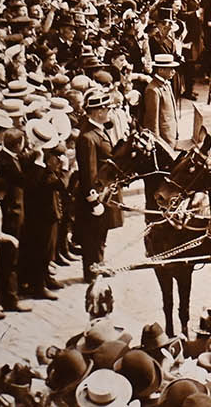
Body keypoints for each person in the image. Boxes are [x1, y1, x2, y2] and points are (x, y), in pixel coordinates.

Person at [73, 89, 116, 282]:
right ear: (98, 111)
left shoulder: (98, 129)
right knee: (92, 236)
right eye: (107, 109)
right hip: (94, 196)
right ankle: (91, 271)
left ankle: (98, 264)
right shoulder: (88, 137)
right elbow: (88, 172)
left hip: (102, 192)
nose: (109, 112)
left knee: (100, 234)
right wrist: (93, 200)